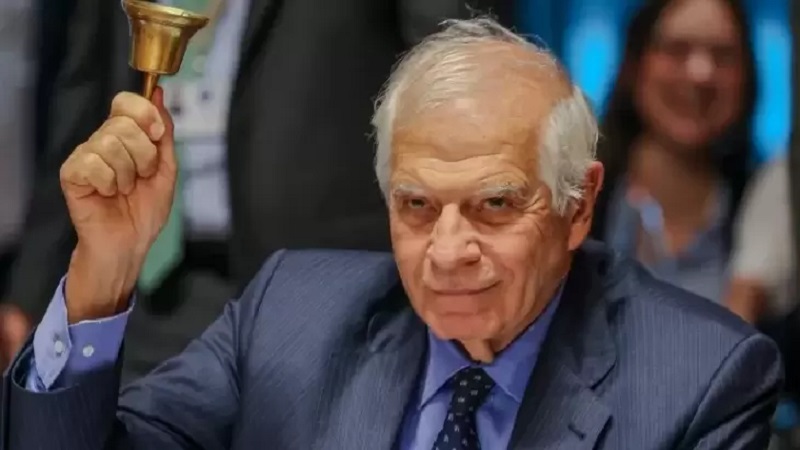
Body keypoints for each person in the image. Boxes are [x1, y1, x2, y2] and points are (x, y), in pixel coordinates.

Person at [2, 19, 782, 450]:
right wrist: (103, 275)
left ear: (578, 207)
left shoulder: (699, 381)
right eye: (416, 205)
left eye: (495, 205)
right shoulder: (292, 314)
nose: (447, 251)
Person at [0, 0, 511, 379]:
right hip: (155, 290)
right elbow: (81, 107)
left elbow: (456, 67)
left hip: (327, 288)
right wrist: (30, 292)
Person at [591, 0, 757, 304]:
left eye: (723, 55)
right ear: (635, 66)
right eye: (676, 50)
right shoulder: (579, 201)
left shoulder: (767, 207)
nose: (700, 74)